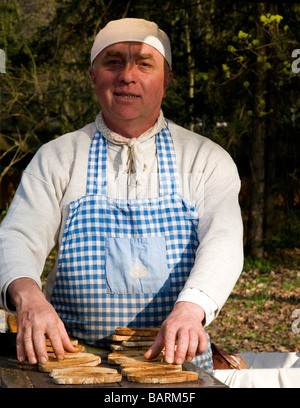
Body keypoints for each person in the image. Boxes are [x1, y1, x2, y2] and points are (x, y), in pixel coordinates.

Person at [0, 18, 243, 374]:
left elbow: (223, 243)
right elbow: (18, 236)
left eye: (144, 63)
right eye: (113, 62)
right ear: (93, 76)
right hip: (68, 360)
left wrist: (191, 308)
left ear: (167, 80)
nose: (127, 75)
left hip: (175, 364)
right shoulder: (58, 157)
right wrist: (29, 298)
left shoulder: (205, 158)